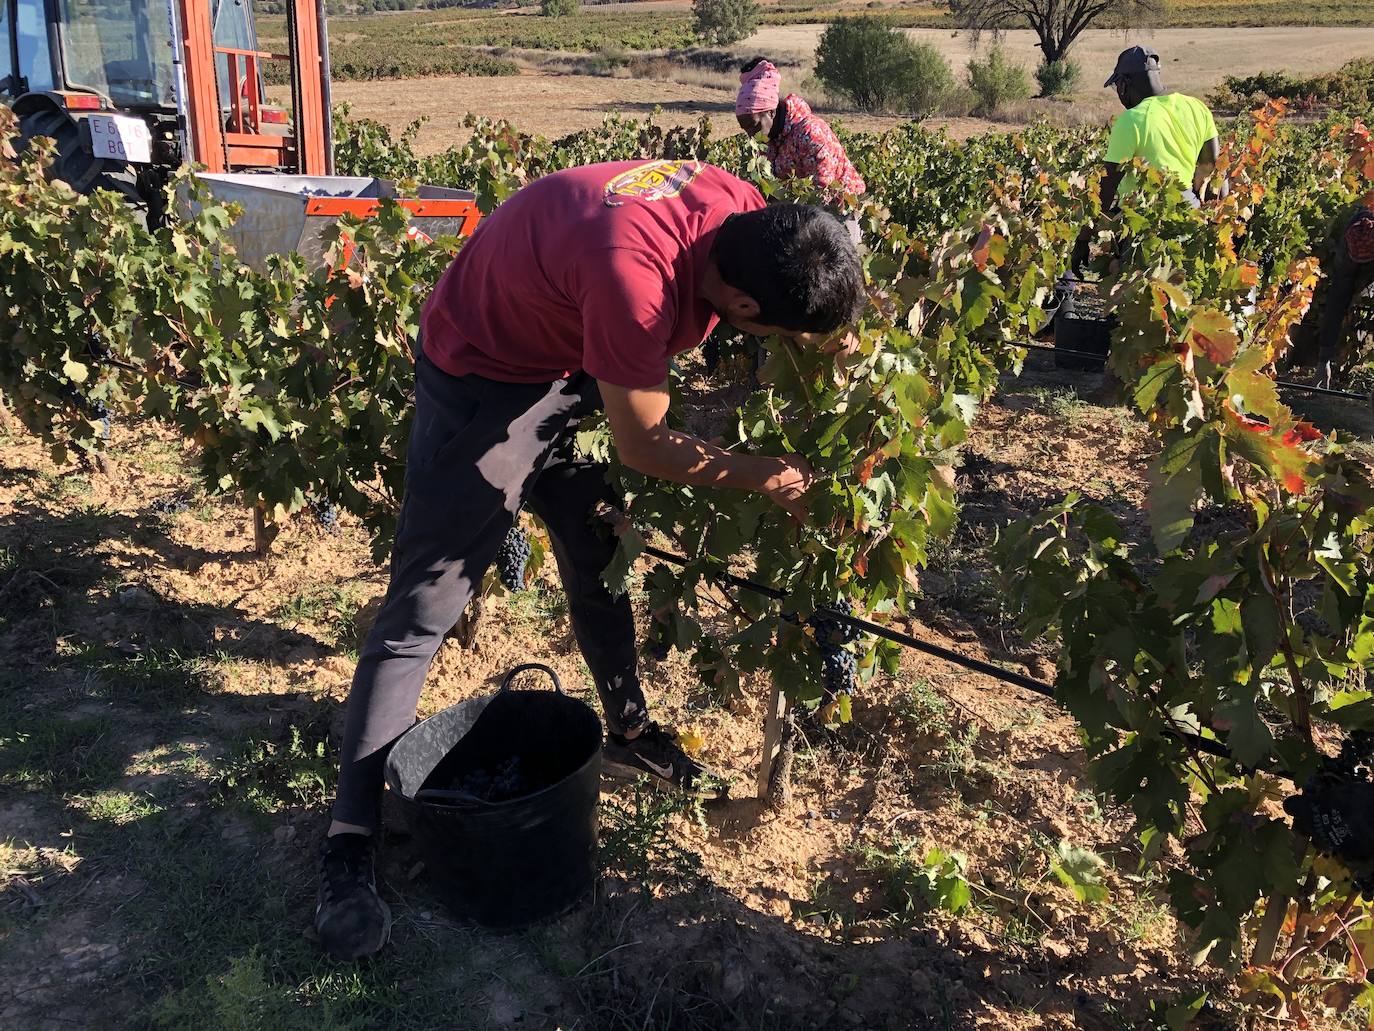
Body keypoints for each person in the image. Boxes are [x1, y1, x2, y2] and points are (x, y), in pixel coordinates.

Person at [314, 158, 865, 961]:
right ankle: (347, 840)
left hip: (569, 361)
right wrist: (765, 476)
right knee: (422, 610)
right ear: (741, 302)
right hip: (485, 373)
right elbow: (643, 443)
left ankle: (630, 729)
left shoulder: (749, 215)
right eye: (770, 330)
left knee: (597, 546)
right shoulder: (631, 280)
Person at [1069, 45, 1227, 270]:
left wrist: (1083, 239)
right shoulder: (1197, 108)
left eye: (1118, 86)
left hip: (1143, 226)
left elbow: (1107, 188)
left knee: (1123, 283)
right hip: (1190, 218)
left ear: (1124, 84)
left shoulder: (1131, 120)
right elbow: (1213, 169)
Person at [735, 57, 865, 208]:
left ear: (771, 113)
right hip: (799, 214)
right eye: (745, 129)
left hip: (841, 211)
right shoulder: (766, 142)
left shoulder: (811, 135)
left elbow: (822, 196)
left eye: (753, 125)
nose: (751, 134)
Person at [1314, 205, 1374, 385]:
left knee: (1340, 297)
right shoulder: (1354, 235)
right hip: (1355, 246)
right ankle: (1324, 363)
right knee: (1339, 296)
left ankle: (1324, 363)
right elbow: (1337, 300)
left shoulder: (1358, 232)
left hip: (1357, 244)